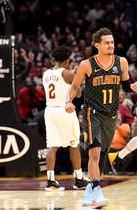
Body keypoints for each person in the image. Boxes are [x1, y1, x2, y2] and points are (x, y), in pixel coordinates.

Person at [65, 28, 137, 208]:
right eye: (107, 43)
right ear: (97, 45)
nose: (111, 45)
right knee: (94, 152)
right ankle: (97, 192)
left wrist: (134, 87)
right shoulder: (86, 64)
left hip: (111, 115)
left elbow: (125, 84)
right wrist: (68, 101)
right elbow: (75, 86)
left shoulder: (121, 62)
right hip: (92, 113)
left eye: (112, 42)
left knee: (103, 155)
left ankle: (89, 193)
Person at [42, 46, 88, 191]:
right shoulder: (66, 73)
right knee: (74, 144)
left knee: (52, 146)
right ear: (67, 60)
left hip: (49, 110)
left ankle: (50, 180)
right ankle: (79, 179)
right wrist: (77, 76)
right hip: (64, 110)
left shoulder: (46, 73)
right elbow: (79, 93)